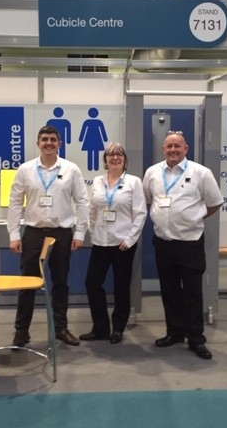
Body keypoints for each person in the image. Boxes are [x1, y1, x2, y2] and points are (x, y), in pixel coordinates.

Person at [142, 131, 224, 360]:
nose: (173, 150)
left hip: (190, 243)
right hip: (163, 243)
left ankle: (196, 338)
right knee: (169, 292)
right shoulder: (152, 173)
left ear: (186, 149)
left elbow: (215, 203)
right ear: (163, 149)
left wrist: (194, 217)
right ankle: (174, 333)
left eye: (177, 146)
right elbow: (147, 199)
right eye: (169, 146)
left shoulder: (201, 173)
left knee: (192, 293)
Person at [7, 125, 89, 347]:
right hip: (33, 234)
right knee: (28, 283)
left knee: (61, 282)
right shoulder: (25, 169)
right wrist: (14, 233)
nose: (49, 143)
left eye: (53, 139)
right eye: (44, 139)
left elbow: (82, 201)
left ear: (59, 144)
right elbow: (15, 202)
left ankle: (61, 328)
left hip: (62, 233)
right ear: (38, 143)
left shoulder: (71, 169)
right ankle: (21, 332)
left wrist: (80, 232)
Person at [80, 143, 146, 344]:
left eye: (119, 154)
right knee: (92, 283)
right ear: (105, 160)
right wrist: (92, 231)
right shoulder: (98, 182)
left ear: (125, 160)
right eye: (110, 154)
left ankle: (118, 327)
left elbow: (141, 212)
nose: (114, 157)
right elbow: (92, 210)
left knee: (121, 286)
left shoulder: (133, 182)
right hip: (100, 242)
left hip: (122, 244)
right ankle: (100, 327)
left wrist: (130, 238)